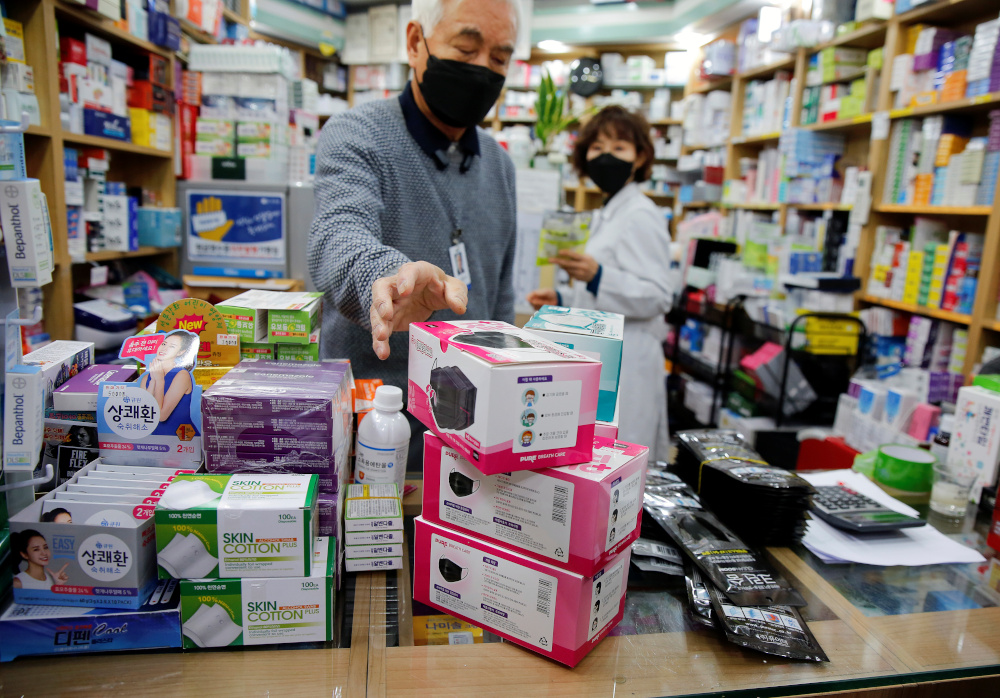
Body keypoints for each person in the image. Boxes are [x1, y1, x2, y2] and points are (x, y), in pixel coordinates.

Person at [309, 0, 520, 385]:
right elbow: (337, 235)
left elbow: (501, 296)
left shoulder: (500, 166)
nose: (482, 69)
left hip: (470, 412)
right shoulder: (357, 134)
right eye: (466, 49)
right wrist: (392, 279)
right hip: (370, 408)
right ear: (414, 42)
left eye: (499, 59)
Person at [528, 106, 672, 461]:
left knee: (622, 460)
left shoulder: (641, 214)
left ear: (640, 157)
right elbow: (607, 288)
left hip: (632, 360)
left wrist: (598, 277)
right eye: (597, 148)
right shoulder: (607, 214)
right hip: (605, 355)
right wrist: (562, 297)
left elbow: (658, 296)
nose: (606, 157)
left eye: (619, 147)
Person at [139, 331, 199, 437]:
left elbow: (161, 416)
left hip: (183, 438)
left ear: (180, 352)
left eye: (172, 346)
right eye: (164, 344)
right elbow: (144, 412)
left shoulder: (182, 375)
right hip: (157, 438)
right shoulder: (146, 378)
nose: (164, 349)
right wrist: (153, 381)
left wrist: (159, 380)